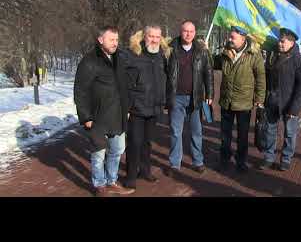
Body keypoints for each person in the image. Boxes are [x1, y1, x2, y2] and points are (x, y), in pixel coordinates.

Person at [74, 26, 135, 196]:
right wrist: (85, 117)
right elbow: (80, 91)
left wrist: (127, 107)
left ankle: (111, 181)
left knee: (117, 150)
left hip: (118, 115)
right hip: (98, 116)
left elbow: (125, 86)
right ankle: (99, 185)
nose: (115, 43)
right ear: (101, 40)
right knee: (99, 153)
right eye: (111, 39)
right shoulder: (89, 61)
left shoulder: (120, 58)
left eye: (116, 40)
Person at [122, 25, 170, 189]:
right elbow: (123, 80)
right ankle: (131, 175)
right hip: (137, 107)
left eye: (157, 37)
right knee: (135, 142)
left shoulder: (162, 55)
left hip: (155, 107)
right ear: (144, 36)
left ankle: (145, 170)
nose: (154, 40)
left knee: (147, 142)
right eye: (151, 36)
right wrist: (127, 104)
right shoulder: (132, 54)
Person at [164, 20, 214, 176]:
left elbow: (208, 73)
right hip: (176, 97)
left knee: (196, 132)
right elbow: (164, 73)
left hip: (195, 97)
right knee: (175, 132)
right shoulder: (170, 49)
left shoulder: (202, 51)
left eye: (191, 31)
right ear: (181, 31)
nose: (188, 34)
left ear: (195, 33)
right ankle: (174, 164)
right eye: (185, 31)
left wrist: (210, 94)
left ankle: (198, 161)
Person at [214, 26, 266, 173]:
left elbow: (261, 78)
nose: (230, 40)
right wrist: (205, 51)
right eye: (230, 37)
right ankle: (224, 159)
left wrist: (260, 98)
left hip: (244, 102)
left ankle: (241, 161)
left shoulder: (253, 54)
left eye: (233, 38)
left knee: (242, 136)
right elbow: (213, 63)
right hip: (226, 101)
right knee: (225, 135)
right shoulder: (225, 53)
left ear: (243, 39)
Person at [259, 28, 301, 172]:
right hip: (272, 101)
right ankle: (269, 157)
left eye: (283, 41)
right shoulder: (273, 56)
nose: (280, 44)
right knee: (270, 131)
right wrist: (264, 98)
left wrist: (295, 107)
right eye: (279, 41)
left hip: (289, 103)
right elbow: (267, 78)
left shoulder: (299, 61)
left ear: (292, 42)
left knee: (289, 133)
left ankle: (286, 159)